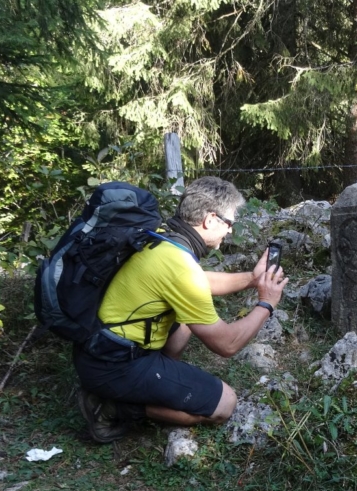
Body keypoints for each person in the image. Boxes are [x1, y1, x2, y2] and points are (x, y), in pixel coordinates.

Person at [72, 176, 288, 442]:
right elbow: (227, 345)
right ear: (210, 220)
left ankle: (154, 380)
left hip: (96, 352)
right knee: (225, 405)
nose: (230, 231)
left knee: (184, 321)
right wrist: (266, 302)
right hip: (115, 365)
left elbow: (197, 282)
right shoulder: (180, 267)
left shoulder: (160, 242)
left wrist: (252, 280)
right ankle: (111, 406)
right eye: (229, 223)